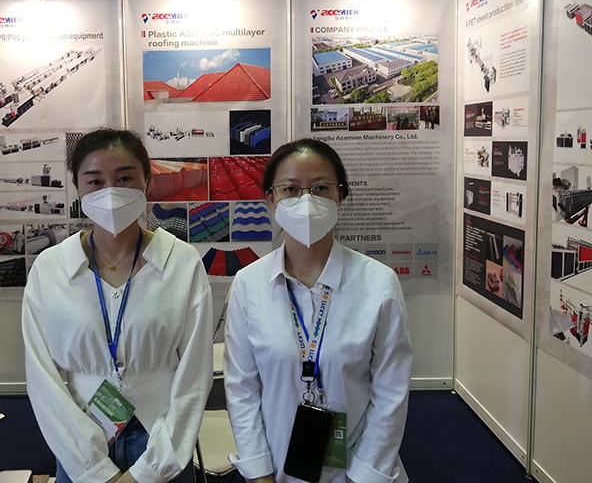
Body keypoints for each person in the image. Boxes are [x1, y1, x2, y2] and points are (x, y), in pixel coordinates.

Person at [22, 128, 213, 483]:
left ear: (147, 182)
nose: (110, 192)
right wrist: (93, 470)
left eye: (124, 178)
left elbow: (194, 374)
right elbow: (42, 377)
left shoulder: (181, 262)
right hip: (81, 447)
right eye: (95, 181)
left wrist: (153, 469)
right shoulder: (50, 269)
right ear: (77, 187)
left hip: (161, 441)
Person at [223, 138, 412, 483]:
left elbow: (391, 393)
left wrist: (364, 475)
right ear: (271, 199)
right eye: (290, 189)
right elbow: (241, 388)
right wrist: (259, 471)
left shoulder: (378, 283)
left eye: (321, 187)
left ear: (340, 196)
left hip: (357, 468)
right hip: (277, 468)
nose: (306, 201)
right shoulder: (248, 283)